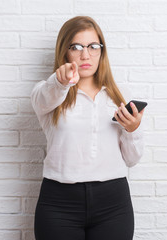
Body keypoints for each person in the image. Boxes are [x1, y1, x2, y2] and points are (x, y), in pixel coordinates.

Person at [30, 16, 145, 240]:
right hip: (59, 203)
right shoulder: (47, 92)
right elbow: (47, 96)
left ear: (102, 50)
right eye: (76, 47)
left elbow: (131, 159)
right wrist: (61, 81)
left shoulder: (120, 96)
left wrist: (133, 130)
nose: (85, 55)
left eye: (93, 46)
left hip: (113, 203)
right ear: (65, 51)